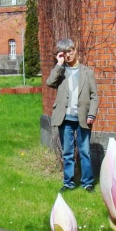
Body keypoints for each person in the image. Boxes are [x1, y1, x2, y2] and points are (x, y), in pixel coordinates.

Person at [46, 38, 99, 192]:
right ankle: (68, 183)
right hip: (65, 118)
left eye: (70, 51)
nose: (68, 55)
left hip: (83, 118)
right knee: (68, 152)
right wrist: (59, 64)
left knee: (84, 151)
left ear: (75, 51)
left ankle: (87, 183)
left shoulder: (87, 72)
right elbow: (49, 82)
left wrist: (92, 114)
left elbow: (94, 96)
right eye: (64, 53)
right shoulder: (60, 71)